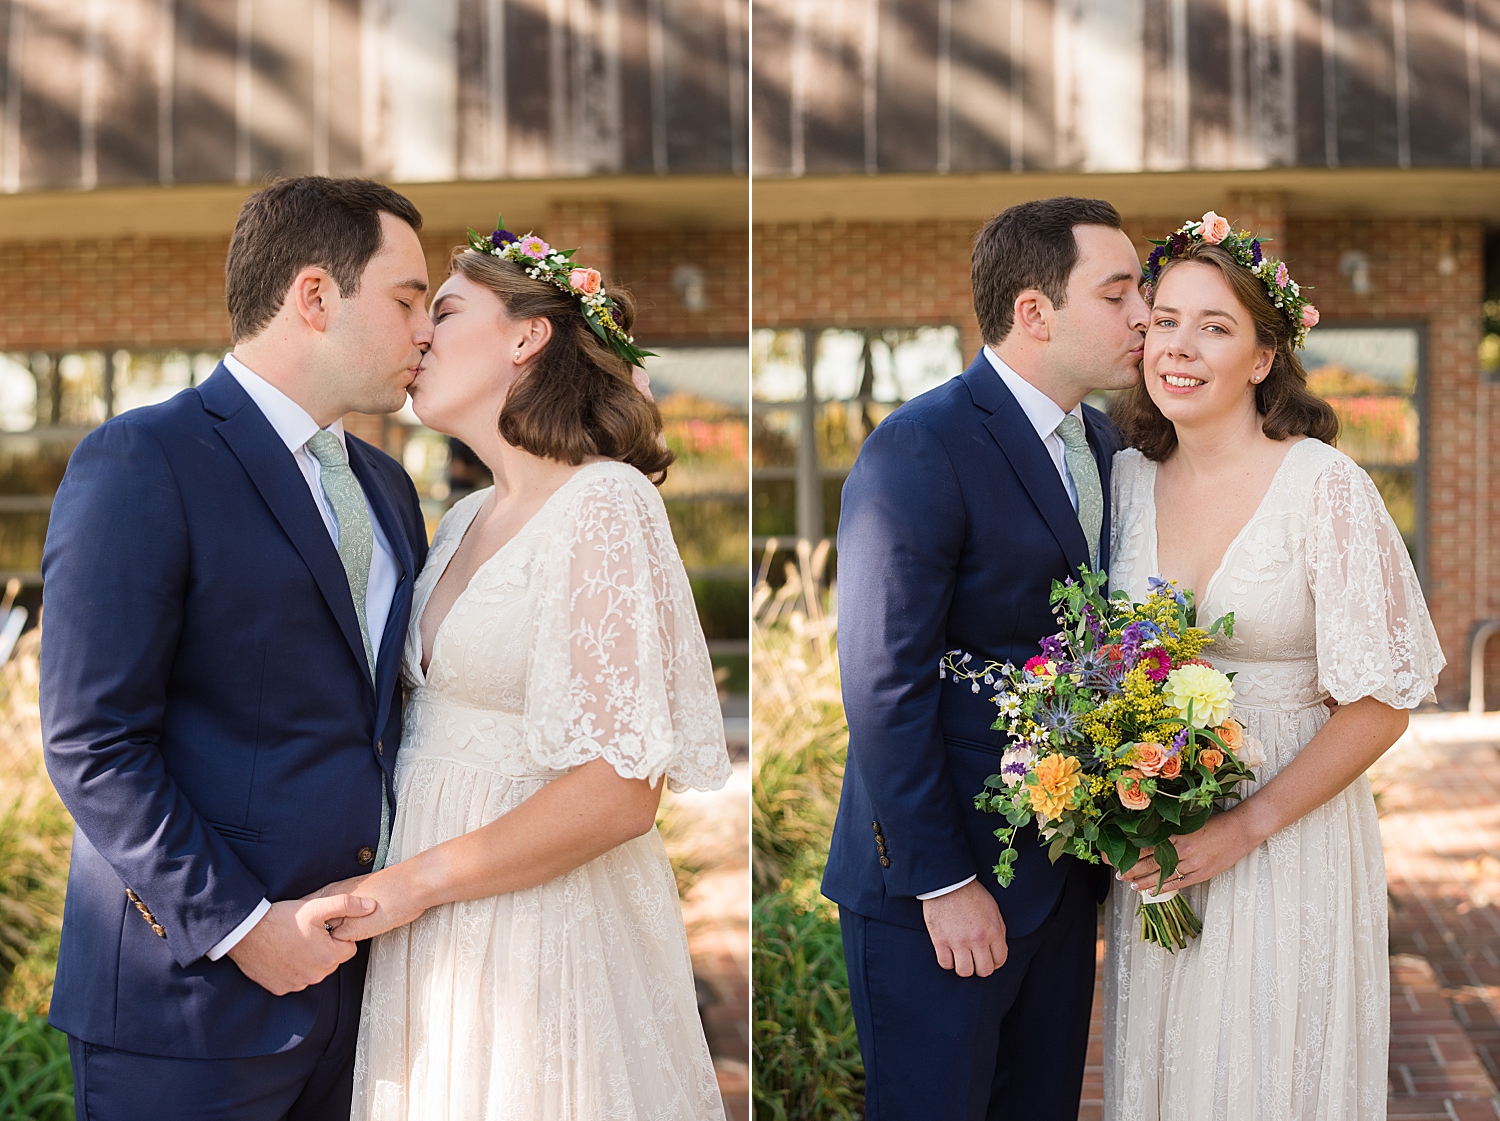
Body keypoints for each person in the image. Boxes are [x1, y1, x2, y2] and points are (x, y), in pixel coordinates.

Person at [40, 176, 433, 1119]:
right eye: (409, 299)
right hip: (186, 1010)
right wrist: (242, 927)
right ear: (314, 296)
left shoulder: (388, 486)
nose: (426, 329)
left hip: (358, 998)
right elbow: (92, 741)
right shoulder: (143, 459)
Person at [319, 223, 731, 1119]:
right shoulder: (464, 517)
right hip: (433, 941)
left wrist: (414, 882)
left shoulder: (605, 501)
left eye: (446, 311)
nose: (421, 334)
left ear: (526, 336)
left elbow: (622, 789)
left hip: (539, 931)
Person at [1103, 221, 1445, 1119]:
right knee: (1174, 1074)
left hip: (1287, 833)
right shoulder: (1122, 483)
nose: (1179, 345)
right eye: (1164, 319)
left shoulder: (1323, 485)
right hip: (1158, 840)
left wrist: (1242, 828)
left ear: (1263, 357)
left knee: (1269, 1074)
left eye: (1215, 326)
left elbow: (1381, 703)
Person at [822, 196, 1148, 1120]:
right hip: (942, 888)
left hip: (1061, 873)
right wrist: (944, 879)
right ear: (1035, 312)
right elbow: (883, 682)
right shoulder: (921, 445)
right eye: (1118, 291)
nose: (1141, 315)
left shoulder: (1106, 442)